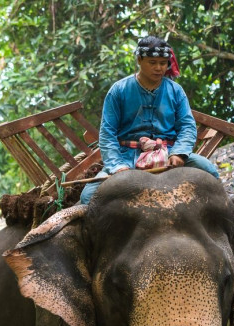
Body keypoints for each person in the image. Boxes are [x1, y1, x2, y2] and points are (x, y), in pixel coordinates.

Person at [80, 36, 220, 205]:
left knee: (210, 172)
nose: (158, 68)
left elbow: (187, 126)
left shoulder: (176, 91)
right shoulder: (118, 90)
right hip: (127, 158)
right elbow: (107, 134)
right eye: (152, 62)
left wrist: (179, 153)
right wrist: (118, 167)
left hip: (168, 152)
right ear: (139, 60)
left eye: (163, 63)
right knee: (88, 197)